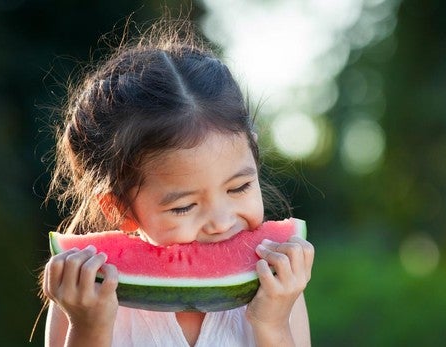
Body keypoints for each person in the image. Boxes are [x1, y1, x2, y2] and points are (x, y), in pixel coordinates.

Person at [41, 18, 314, 347]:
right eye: (184, 207)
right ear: (119, 209)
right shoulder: (81, 300)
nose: (221, 222)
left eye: (239, 187)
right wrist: (88, 329)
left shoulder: (281, 291)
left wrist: (271, 323)